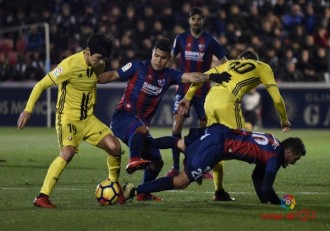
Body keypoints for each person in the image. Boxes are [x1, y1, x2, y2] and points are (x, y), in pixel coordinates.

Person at [97, 37, 231, 201]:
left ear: (169, 59)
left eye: (163, 58)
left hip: (140, 125)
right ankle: (134, 159)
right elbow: (112, 75)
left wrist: (210, 77)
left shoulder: (169, 75)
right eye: (156, 55)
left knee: (157, 162)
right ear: (152, 53)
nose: (158, 60)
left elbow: (190, 77)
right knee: (141, 130)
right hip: (123, 117)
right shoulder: (138, 66)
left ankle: (143, 193)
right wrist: (92, 79)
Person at [17, 33, 124, 208]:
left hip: (88, 120)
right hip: (68, 119)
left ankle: (114, 185)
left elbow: (95, 80)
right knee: (67, 153)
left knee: (115, 147)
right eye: (97, 58)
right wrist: (28, 110)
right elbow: (41, 84)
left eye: (101, 59)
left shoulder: (99, 65)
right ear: (87, 51)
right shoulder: (69, 65)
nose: (99, 62)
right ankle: (42, 196)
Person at [179, 50, 291, 201]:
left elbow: (200, 78)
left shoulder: (230, 63)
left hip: (210, 100)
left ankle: (218, 191)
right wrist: (284, 119)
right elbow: (277, 99)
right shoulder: (263, 67)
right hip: (227, 102)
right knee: (240, 144)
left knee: (216, 143)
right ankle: (197, 155)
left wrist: (187, 98)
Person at [127, 123, 306, 204]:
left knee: (181, 143)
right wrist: (280, 203)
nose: (292, 163)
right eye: (295, 159)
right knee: (181, 181)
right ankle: (134, 190)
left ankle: (144, 142)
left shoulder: (273, 141)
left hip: (218, 130)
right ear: (289, 152)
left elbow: (258, 177)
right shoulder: (275, 156)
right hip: (218, 146)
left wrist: (265, 201)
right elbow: (267, 187)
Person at [166, 7, 228, 185]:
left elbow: (225, 62)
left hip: (203, 91)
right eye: (194, 19)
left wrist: (222, 77)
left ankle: (201, 164)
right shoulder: (181, 38)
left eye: (199, 19)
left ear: (203, 21)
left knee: (204, 129)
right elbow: (171, 59)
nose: (196, 22)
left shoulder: (210, 40)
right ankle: (175, 166)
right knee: (177, 126)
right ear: (189, 21)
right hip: (183, 89)